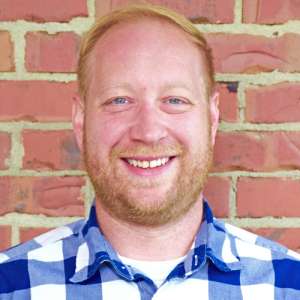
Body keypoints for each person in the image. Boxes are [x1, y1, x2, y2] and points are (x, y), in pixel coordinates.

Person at [0, 4, 299, 300]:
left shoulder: (289, 285)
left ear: (212, 118)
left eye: (174, 100)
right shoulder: (10, 285)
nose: (148, 131)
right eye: (119, 100)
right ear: (81, 121)